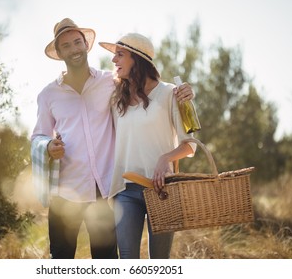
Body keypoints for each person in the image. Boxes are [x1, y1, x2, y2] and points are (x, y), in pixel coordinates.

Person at [31, 18, 194, 259]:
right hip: (75, 192)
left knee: (116, 262)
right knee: (64, 260)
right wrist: (47, 146)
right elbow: (38, 136)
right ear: (59, 52)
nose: (74, 48)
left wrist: (186, 92)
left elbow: (156, 93)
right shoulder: (50, 95)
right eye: (66, 45)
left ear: (86, 45)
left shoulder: (112, 83)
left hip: (112, 191)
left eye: (78, 42)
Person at [99, 33, 197, 259]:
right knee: (127, 260)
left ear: (138, 59)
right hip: (126, 189)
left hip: (162, 190)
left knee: (159, 262)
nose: (114, 61)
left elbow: (190, 145)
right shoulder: (116, 99)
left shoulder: (170, 93)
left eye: (120, 55)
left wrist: (165, 159)